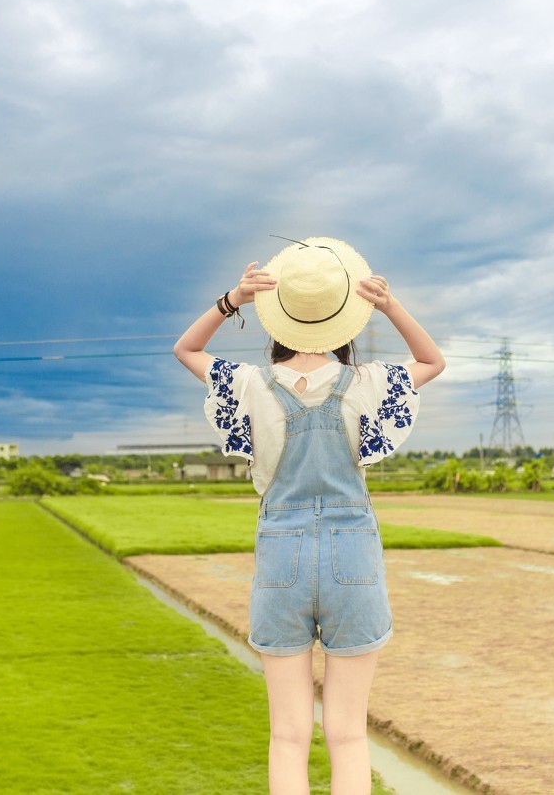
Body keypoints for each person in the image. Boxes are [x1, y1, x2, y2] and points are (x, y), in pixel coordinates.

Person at [174, 236, 445, 795]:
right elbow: (431, 362)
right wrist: (390, 306)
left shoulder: (249, 385)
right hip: (353, 559)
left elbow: (186, 349)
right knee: (348, 735)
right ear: (345, 322)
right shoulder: (368, 384)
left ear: (278, 321)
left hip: (282, 559)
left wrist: (232, 300)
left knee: (288, 736)